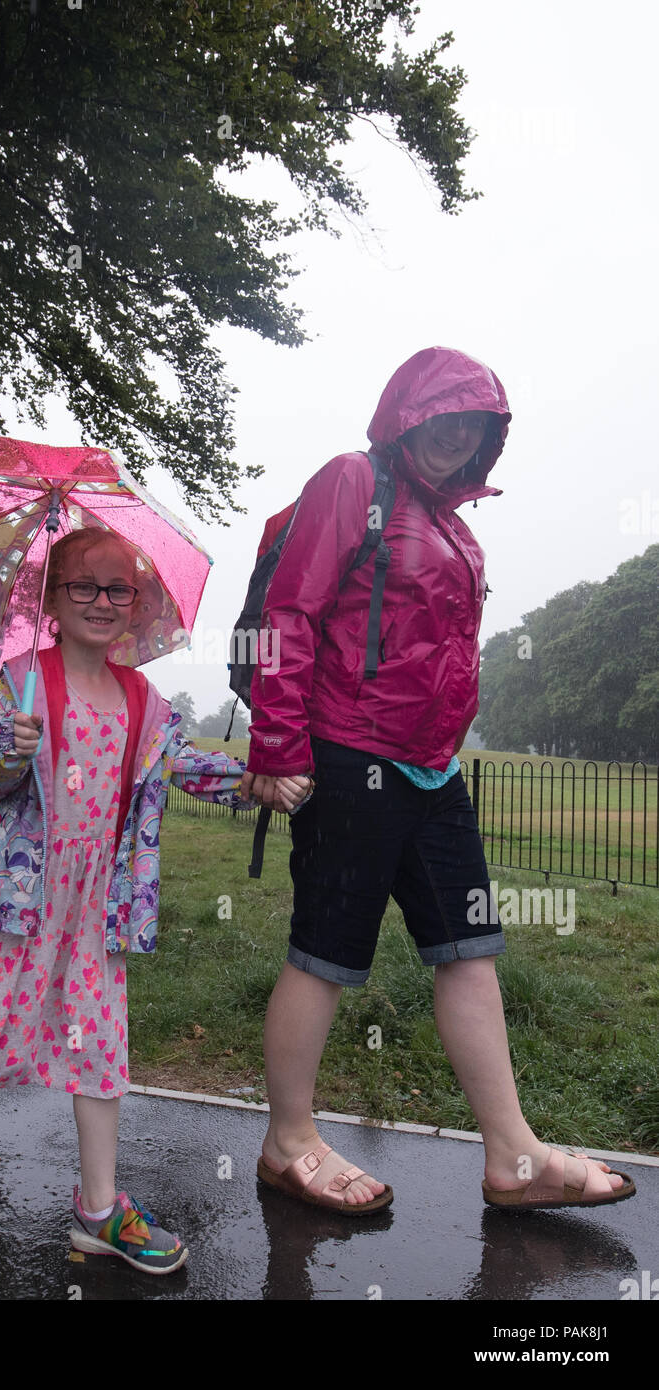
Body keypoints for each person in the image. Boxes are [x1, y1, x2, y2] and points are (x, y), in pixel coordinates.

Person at [0, 527, 306, 1273]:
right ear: (51, 598)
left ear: (137, 605)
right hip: (19, 903)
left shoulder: (140, 695)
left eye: (118, 588)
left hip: (95, 907)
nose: (101, 600)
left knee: (99, 1050)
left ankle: (97, 1209)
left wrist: (254, 783)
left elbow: (179, 762)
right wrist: (7, 750)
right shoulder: (25, 678)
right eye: (82, 585)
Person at [242, 346, 636, 1214]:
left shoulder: (453, 525)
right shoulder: (352, 480)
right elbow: (291, 612)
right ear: (406, 415)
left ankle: (513, 1157)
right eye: (442, 420)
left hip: (432, 771)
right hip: (350, 755)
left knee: (470, 952)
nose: (455, 439)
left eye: (473, 428)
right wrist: (278, 745)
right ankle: (288, 1141)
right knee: (325, 954)